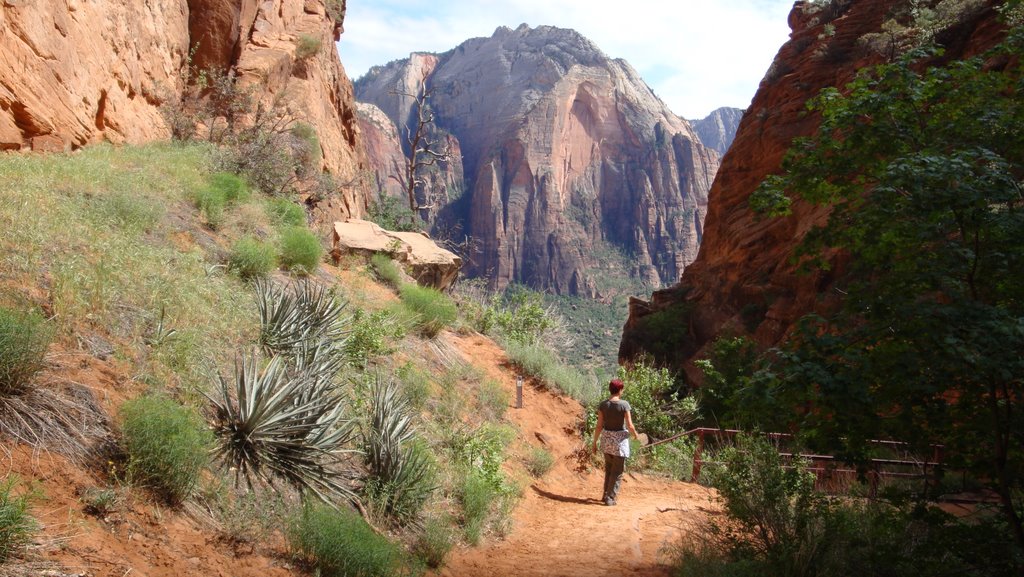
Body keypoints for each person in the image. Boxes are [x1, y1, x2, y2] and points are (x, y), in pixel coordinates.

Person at [591, 378, 638, 506]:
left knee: (609, 469)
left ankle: (605, 494)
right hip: (619, 443)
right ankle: (610, 497)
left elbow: (599, 426)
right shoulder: (624, 405)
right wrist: (636, 436)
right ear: (620, 390)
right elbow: (630, 425)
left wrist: (594, 443)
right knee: (617, 472)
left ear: (610, 389)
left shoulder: (603, 405)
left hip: (606, 441)